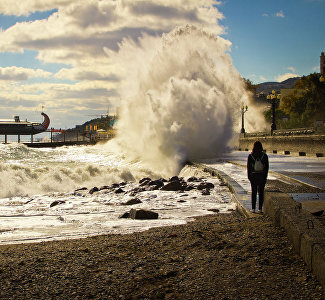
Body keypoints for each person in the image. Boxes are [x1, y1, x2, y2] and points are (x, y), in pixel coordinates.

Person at [247, 141, 269, 213]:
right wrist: (265, 177)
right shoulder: (264, 156)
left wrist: (249, 177)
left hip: (253, 176)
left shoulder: (251, 156)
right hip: (262, 176)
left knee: (254, 192)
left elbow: (249, 168)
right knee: (261, 192)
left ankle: (253, 208)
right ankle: (260, 209)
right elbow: (266, 168)